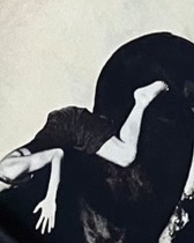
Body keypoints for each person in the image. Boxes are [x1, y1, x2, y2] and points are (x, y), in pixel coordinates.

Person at [0, 81, 168, 234]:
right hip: (63, 134)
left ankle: (141, 100)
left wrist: (50, 199)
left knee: (126, 156)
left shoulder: (9, 171)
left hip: (72, 126)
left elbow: (56, 154)